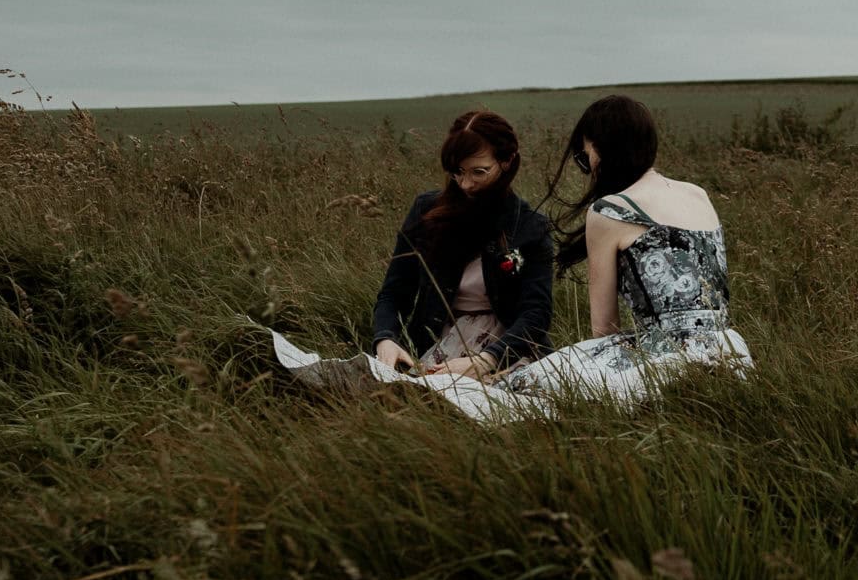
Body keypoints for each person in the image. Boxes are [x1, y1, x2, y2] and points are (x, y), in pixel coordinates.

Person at [490, 93, 753, 403]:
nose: (586, 165)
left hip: (664, 359)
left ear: (601, 151)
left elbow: (604, 328)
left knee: (522, 386)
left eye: (584, 154)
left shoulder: (610, 210)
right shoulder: (698, 194)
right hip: (729, 352)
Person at [272, 110, 552, 398]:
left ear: (506, 162)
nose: (466, 184)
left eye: (479, 172)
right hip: (436, 338)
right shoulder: (426, 211)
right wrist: (386, 339)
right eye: (457, 172)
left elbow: (536, 312)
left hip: (506, 349)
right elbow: (394, 292)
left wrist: (486, 360)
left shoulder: (531, 226)